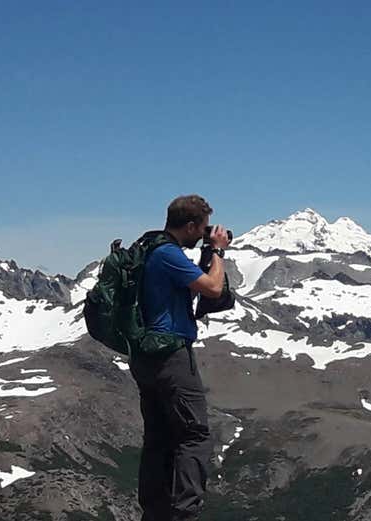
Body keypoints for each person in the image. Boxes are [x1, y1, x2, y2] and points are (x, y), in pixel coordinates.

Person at [130, 194, 230, 521]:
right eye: (201, 229)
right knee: (194, 435)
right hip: (170, 355)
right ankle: (186, 515)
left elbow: (182, 291)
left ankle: (155, 513)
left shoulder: (148, 249)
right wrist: (216, 250)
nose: (203, 234)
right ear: (190, 226)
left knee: (159, 437)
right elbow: (213, 288)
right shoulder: (167, 253)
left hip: (145, 359)